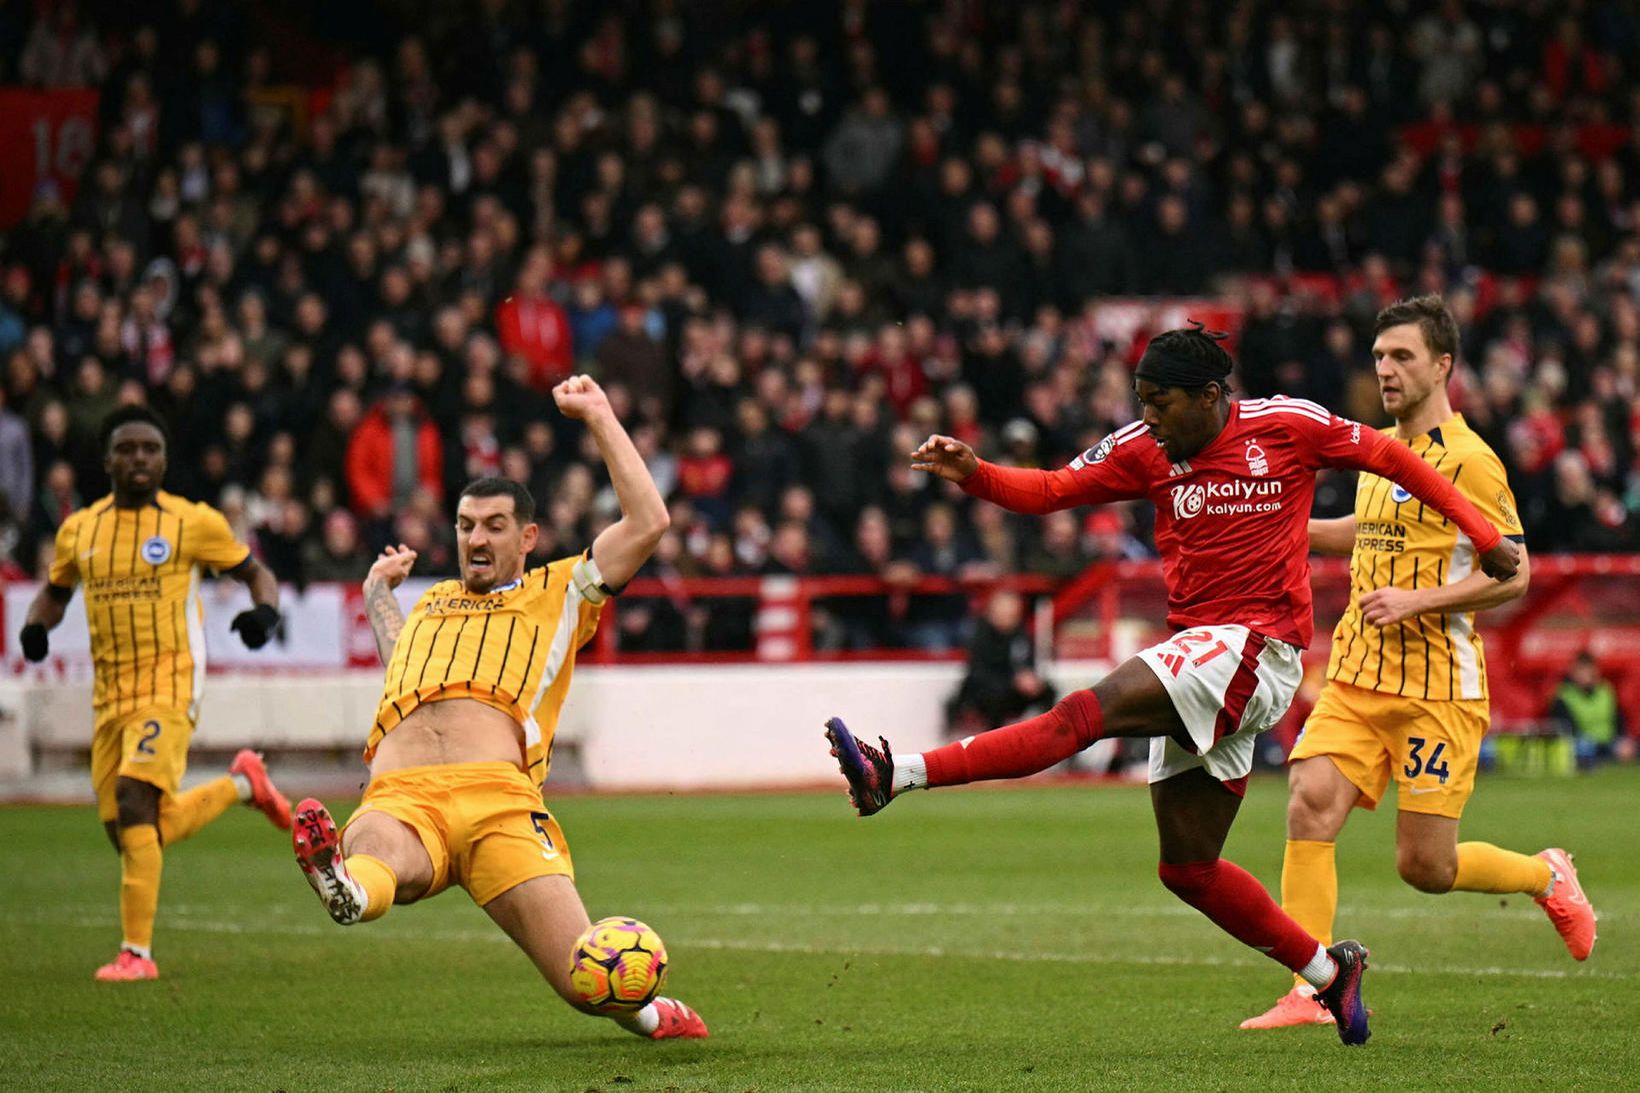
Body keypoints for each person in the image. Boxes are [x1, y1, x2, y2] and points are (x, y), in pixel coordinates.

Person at [824, 323, 1522, 1047]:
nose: (1149, 418)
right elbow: (1053, 490)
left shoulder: (1287, 427)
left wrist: (1486, 534)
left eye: (1161, 403)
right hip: (1204, 652)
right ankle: (1327, 971)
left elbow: (1389, 456)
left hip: (1259, 648)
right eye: (1142, 401)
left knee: (1081, 716)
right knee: (1188, 867)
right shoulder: (1143, 448)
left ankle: (895, 773)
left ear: (1211, 397)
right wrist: (976, 471)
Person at [289, 375, 707, 1041]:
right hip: (401, 793)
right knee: (372, 859)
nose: (474, 538)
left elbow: (650, 522)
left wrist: (599, 413)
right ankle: (342, 886)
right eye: (463, 525)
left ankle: (652, 1013)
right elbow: (404, 667)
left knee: (584, 981)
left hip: (498, 802)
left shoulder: (561, 589)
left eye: (493, 525)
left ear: (528, 535)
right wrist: (376, 595)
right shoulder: (430, 602)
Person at [1241, 296, 1598, 1031]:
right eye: (1379, 357)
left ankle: (1547, 873)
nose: (1387, 369)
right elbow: (1366, 529)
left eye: (1403, 356)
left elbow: (1516, 571)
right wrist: (1288, 532)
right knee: (1308, 798)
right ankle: (1310, 989)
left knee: (1424, 866)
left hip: (1437, 687)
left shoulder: (1471, 459)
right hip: (1356, 676)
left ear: (1443, 364)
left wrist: (1419, 601)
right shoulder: (1376, 448)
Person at [17, 405, 292, 982]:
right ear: (108, 459)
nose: (139, 459)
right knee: (135, 832)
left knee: (136, 799)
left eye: (150, 449)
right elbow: (54, 591)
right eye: (128, 448)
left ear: (164, 460)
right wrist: (35, 628)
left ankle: (136, 955)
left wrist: (263, 614)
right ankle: (243, 783)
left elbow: (254, 572)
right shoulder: (80, 529)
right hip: (110, 694)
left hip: (170, 681)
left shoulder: (192, 522)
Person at [945, 588, 1055, 734]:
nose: (1009, 616)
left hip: (1014, 691)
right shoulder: (980, 634)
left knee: (1048, 691)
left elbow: (1027, 661)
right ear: (993, 611)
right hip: (984, 691)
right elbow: (977, 673)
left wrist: (1030, 678)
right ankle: (995, 743)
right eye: (1005, 612)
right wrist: (1013, 681)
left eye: (1013, 613)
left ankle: (1049, 736)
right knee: (996, 697)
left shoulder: (1020, 632)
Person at [1549, 651, 1627, 767]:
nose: (1584, 674)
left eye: (1588, 669)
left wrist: (1623, 739)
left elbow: (1619, 718)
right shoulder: (1563, 695)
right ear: (1573, 672)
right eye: (1581, 670)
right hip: (1582, 744)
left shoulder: (1606, 690)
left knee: (1626, 747)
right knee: (1583, 748)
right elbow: (1565, 728)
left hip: (1609, 742)